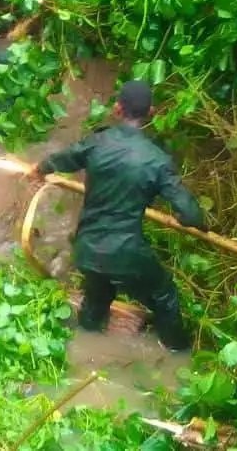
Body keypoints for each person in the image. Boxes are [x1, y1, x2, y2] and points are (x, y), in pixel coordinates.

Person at [28, 80, 205, 351]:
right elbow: (190, 214)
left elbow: (61, 159)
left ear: (118, 108)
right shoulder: (157, 160)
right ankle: (179, 353)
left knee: (97, 298)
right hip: (127, 253)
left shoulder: (97, 142)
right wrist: (197, 223)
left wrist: (39, 169)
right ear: (152, 112)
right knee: (165, 295)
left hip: (87, 249)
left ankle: (84, 348)